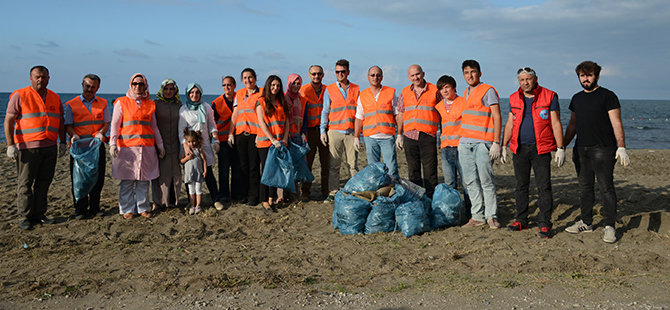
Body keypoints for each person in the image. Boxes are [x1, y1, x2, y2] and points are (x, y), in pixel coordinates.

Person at [563, 60, 630, 243]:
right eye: (582, 76)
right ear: (579, 77)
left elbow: (617, 122)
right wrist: (562, 145)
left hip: (604, 149)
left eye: (589, 75)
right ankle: (586, 221)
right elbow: (572, 125)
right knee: (585, 187)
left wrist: (622, 146)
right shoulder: (576, 98)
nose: (586, 79)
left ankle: (609, 226)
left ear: (597, 76)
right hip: (581, 149)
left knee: (606, 188)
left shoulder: (608, 96)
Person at [501, 67, 564, 238]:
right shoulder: (513, 98)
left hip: (541, 148)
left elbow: (556, 122)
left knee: (543, 187)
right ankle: (521, 220)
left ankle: (544, 223)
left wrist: (560, 147)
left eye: (528, 79)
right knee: (521, 186)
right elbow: (509, 123)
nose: (525, 83)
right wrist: (503, 145)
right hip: (519, 148)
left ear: (535, 79)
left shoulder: (549, 95)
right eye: (522, 80)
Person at [4, 65, 66, 230]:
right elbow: (9, 120)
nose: (41, 80)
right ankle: (25, 217)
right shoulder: (20, 95)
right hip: (28, 148)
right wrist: (10, 145)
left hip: (50, 146)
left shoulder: (54, 97)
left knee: (44, 183)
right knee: (25, 183)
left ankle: (39, 214)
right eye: (37, 77)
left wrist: (63, 142)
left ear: (48, 78)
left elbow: (60, 121)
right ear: (30, 78)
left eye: (44, 77)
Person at [109, 73, 165, 219]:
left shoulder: (150, 104)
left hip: (146, 148)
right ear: (130, 84)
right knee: (127, 180)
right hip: (127, 148)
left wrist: (160, 145)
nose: (137, 86)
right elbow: (115, 124)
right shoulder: (121, 102)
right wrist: (113, 143)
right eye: (135, 83)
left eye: (140, 84)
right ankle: (127, 209)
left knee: (143, 180)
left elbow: (154, 126)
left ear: (145, 85)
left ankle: (143, 208)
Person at [458, 60, 503, 229]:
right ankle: (477, 216)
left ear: (480, 73)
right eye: (466, 72)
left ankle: (491, 216)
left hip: (483, 143)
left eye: (473, 72)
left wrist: (496, 142)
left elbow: (497, 117)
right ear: (463, 75)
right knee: (470, 181)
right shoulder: (466, 92)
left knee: (486, 180)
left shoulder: (488, 90)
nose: (470, 75)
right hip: (465, 143)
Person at [64, 74, 109, 220]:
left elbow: (106, 122)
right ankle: (80, 209)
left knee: (98, 177)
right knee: (79, 178)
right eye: (87, 86)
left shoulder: (102, 103)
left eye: (93, 87)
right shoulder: (72, 104)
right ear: (82, 85)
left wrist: (102, 133)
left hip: (96, 146)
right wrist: (73, 135)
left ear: (98, 87)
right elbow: (68, 125)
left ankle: (95, 208)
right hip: (79, 148)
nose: (90, 89)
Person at [397, 64, 441, 198]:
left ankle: (430, 199)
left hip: (428, 135)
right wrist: (399, 134)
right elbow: (400, 114)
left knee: (430, 171)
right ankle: (416, 199)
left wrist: (443, 133)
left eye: (418, 74)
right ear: (408, 77)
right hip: (409, 136)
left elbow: (443, 113)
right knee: (413, 170)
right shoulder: (404, 92)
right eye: (412, 75)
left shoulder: (434, 90)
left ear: (423, 73)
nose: (416, 77)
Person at [320, 59, 359, 202]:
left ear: (348, 72)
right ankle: (333, 191)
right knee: (334, 165)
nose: (340, 74)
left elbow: (360, 113)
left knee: (353, 165)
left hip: (350, 133)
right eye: (337, 72)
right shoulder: (329, 89)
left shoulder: (356, 89)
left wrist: (358, 134)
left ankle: (355, 192)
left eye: (343, 72)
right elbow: (325, 111)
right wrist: (322, 131)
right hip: (334, 131)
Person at [178, 83, 222, 210]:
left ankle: (215, 200)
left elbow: (212, 124)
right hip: (189, 146)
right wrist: (185, 146)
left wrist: (216, 140)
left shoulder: (206, 106)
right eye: (192, 92)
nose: (194, 95)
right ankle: (191, 202)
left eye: (197, 92)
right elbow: (180, 130)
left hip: (204, 145)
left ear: (200, 94)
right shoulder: (184, 109)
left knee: (208, 173)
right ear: (188, 94)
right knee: (189, 174)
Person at [434, 75, 472, 221]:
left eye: (447, 87)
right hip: (445, 148)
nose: (444, 90)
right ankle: (454, 213)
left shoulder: (463, 102)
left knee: (466, 182)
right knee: (450, 184)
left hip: (461, 147)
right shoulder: (439, 106)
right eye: (442, 88)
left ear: (453, 87)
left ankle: (469, 213)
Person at [353, 65, 401, 177]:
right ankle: (377, 192)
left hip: (387, 137)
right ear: (368, 77)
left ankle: (392, 191)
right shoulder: (363, 95)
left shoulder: (390, 92)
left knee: (392, 169)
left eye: (378, 75)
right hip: (370, 138)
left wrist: (399, 134)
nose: (375, 77)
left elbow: (397, 114)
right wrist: (356, 137)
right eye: (373, 75)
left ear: (382, 77)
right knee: (373, 170)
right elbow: (359, 117)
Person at [229, 68, 263, 206]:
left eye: (250, 77)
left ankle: (254, 197)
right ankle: (244, 194)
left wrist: (260, 134)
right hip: (240, 135)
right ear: (242, 80)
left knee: (254, 166)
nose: (248, 80)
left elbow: (263, 116)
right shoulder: (239, 94)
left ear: (255, 78)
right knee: (242, 167)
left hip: (255, 134)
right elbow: (235, 114)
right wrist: (230, 133)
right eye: (245, 78)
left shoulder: (261, 93)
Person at [256, 75, 290, 212]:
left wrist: (285, 138)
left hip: (280, 142)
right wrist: (272, 139)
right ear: (268, 86)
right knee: (266, 171)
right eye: (273, 85)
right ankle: (264, 201)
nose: (275, 88)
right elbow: (261, 122)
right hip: (266, 142)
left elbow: (286, 121)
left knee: (276, 171)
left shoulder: (282, 102)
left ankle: (271, 198)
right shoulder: (261, 101)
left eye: (278, 85)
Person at [300, 65, 330, 201]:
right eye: (313, 74)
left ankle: (325, 190)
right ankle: (305, 191)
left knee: (326, 163)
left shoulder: (328, 90)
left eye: (319, 74)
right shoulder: (304, 90)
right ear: (309, 75)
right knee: (308, 163)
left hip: (325, 131)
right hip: (309, 132)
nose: (316, 76)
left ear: (323, 75)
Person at [211, 76, 243, 203]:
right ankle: (223, 193)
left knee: (238, 167)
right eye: (224, 85)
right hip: (223, 140)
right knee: (224, 168)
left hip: (238, 138)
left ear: (235, 85)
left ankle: (236, 193)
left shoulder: (240, 98)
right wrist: (215, 141)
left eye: (229, 84)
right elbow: (212, 123)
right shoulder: (216, 103)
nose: (227, 87)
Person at [152, 79, 182, 211]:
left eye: (171, 89)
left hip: (175, 144)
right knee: (160, 173)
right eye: (166, 89)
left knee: (174, 172)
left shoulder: (178, 104)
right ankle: (158, 202)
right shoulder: (155, 104)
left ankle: (172, 201)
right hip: (159, 143)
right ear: (161, 90)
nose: (168, 91)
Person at [181, 128, 207, 215]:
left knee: (198, 189)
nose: (191, 144)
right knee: (191, 190)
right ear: (186, 141)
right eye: (189, 142)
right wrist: (187, 158)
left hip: (198, 173)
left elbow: (204, 160)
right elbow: (181, 161)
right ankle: (192, 205)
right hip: (189, 174)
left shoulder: (199, 149)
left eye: (193, 141)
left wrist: (205, 170)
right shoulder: (185, 151)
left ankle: (198, 205)